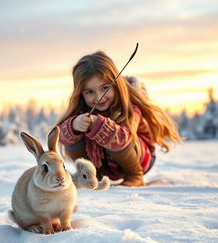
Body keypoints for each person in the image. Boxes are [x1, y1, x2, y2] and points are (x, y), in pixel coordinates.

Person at [56, 51, 182, 187]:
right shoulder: (83, 109)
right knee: (73, 130)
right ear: (81, 94)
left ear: (116, 85)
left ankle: (135, 177)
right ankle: (91, 175)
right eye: (89, 92)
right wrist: (74, 125)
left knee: (113, 133)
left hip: (138, 159)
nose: (99, 98)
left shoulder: (130, 106)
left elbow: (122, 137)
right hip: (104, 165)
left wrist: (98, 124)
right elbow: (62, 136)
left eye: (105, 88)